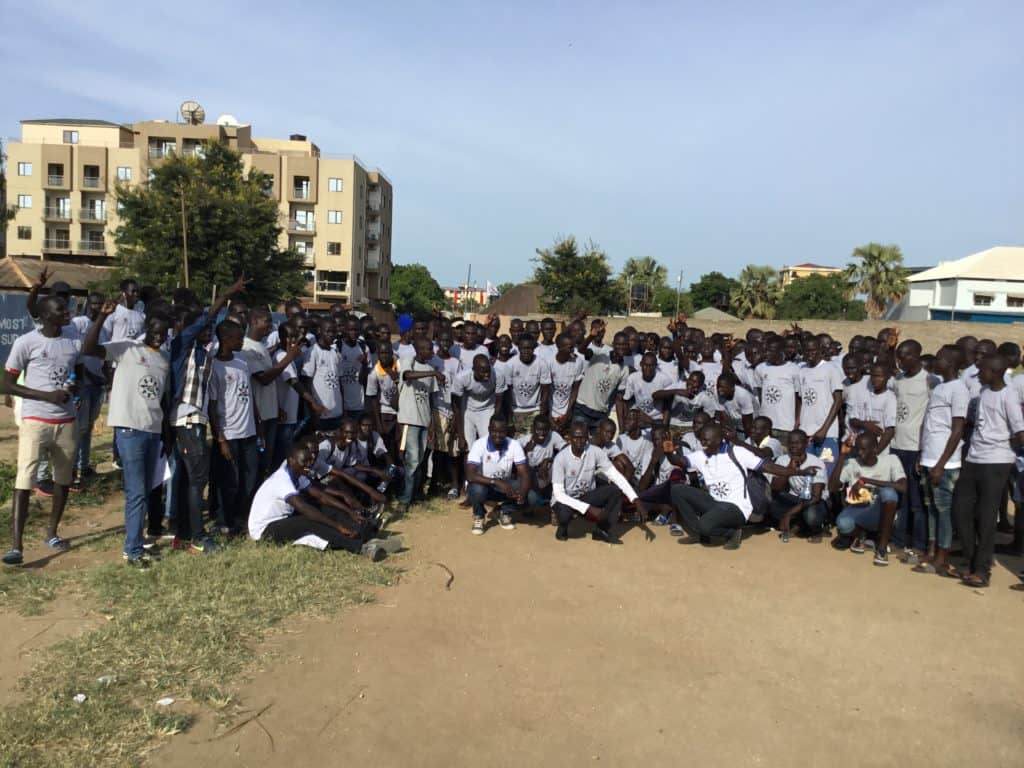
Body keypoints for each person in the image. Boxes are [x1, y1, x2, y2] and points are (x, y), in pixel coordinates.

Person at [83, 300, 170, 568]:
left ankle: (137, 539)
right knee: (136, 491)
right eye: (154, 329)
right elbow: (89, 349)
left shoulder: (163, 360)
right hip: (130, 430)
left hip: (152, 431)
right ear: (146, 327)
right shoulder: (128, 348)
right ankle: (132, 550)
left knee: (144, 489)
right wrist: (101, 319)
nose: (159, 334)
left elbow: (161, 400)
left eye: (163, 331)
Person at [1, 296, 81, 565]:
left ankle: (52, 533)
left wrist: (74, 386)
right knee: (25, 480)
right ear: (46, 316)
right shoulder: (26, 342)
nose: (67, 312)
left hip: (67, 422)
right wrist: (46, 397)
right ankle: (17, 546)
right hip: (36, 421)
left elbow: (76, 368)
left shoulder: (72, 338)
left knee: (63, 480)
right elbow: (7, 384)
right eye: (60, 310)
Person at [668, 423, 812, 550]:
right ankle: (699, 533)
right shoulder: (702, 455)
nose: (702, 442)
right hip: (714, 503)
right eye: (701, 439)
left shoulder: (737, 452)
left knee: (705, 525)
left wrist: (798, 471)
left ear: (718, 440)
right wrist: (669, 452)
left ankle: (732, 533)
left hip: (736, 508)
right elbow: (679, 461)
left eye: (706, 440)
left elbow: (769, 467)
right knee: (677, 490)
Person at [248, 441, 397, 560]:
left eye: (309, 460)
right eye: (304, 461)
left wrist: (350, 512)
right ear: (291, 460)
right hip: (264, 531)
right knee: (310, 520)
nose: (308, 465)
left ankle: (365, 532)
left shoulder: (298, 474)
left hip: (284, 520)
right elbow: (306, 510)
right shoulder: (281, 480)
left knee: (326, 509)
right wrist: (338, 526)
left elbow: (321, 496)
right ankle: (361, 547)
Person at [950, 354, 1024, 587]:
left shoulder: (1008, 396)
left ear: (995, 371)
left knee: (986, 516)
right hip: (974, 458)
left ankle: (981, 571)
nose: (978, 374)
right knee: (960, 510)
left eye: (982, 371)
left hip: (997, 461)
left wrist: (1006, 447)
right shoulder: (983, 393)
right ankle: (974, 559)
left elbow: (1020, 431)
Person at [915, 346, 968, 575]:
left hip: (943, 463)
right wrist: (922, 455)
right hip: (930, 457)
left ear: (950, 363)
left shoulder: (959, 390)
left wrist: (940, 464)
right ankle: (932, 548)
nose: (935, 361)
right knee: (931, 508)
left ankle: (943, 557)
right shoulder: (940, 387)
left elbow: (957, 430)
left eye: (939, 358)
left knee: (943, 509)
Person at [208, 320, 261, 535]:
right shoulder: (215, 366)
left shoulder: (241, 361)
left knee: (250, 479)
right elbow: (212, 406)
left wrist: (258, 421)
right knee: (229, 482)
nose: (242, 341)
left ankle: (241, 517)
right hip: (229, 434)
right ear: (227, 339)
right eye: (239, 338)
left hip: (249, 431)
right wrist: (220, 439)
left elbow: (249, 393)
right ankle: (224, 521)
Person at [550, 421, 638, 543]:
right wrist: (589, 508)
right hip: (565, 499)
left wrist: (635, 498)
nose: (579, 441)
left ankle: (602, 531)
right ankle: (563, 527)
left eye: (583, 438)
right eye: (576, 437)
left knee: (615, 490)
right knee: (564, 514)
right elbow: (559, 495)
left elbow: (616, 475)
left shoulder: (596, 451)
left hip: (585, 496)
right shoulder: (561, 458)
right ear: (570, 438)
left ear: (588, 437)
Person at [240, 308, 301, 477]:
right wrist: (289, 357)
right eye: (266, 320)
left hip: (271, 415)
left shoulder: (262, 347)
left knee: (266, 464)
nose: (270, 325)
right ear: (253, 322)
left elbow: (270, 384)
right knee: (257, 466)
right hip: (259, 419)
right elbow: (263, 379)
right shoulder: (246, 347)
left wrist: (276, 407)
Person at [830, 434, 906, 566]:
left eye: (864, 449)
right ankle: (864, 536)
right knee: (843, 524)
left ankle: (882, 549)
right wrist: (842, 456)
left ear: (875, 449)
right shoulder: (852, 464)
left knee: (888, 492)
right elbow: (832, 487)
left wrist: (865, 481)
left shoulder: (890, 460)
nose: (860, 453)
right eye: (858, 449)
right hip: (860, 509)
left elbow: (903, 487)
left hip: (883, 512)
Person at [891, 339, 936, 557]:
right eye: (898, 356)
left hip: (915, 448)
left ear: (917, 355)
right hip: (896, 446)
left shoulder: (929, 381)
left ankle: (919, 544)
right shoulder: (898, 379)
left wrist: (922, 450)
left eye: (904, 356)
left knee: (917, 502)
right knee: (900, 497)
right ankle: (899, 540)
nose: (900, 360)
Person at [396, 338, 444, 511]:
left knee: (420, 460)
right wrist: (432, 374)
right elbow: (407, 375)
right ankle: (405, 498)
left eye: (431, 348)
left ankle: (414, 493)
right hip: (409, 419)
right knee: (413, 459)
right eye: (428, 348)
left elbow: (431, 399)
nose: (431, 351)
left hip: (424, 421)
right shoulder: (410, 361)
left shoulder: (431, 369)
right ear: (419, 349)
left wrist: (431, 423)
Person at [465, 415, 531, 534]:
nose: (498, 435)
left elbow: (524, 474)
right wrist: (496, 482)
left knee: (531, 496)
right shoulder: (479, 444)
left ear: (507, 431)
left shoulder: (514, 445)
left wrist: (522, 494)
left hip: (506, 486)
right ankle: (479, 516)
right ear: (489, 429)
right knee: (476, 489)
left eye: (502, 432)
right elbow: (470, 475)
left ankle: (504, 512)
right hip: (485, 485)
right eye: (494, 431)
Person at [69, 292, 108, 488]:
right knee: (80, 428)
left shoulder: (104, 328)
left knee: (89, 428)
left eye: (101, 304)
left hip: (97, 383)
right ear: (88, 305)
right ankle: (72, 470)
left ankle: (84, 466)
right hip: (82, 384)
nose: (98, 307)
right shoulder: (78, 323)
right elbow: (80, 354)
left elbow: (105, 356)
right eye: (94, 304)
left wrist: (106, 377)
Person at [767, 430, 829, 542]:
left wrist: (789, 513)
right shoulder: (782, 460)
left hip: (815, 501)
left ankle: (817, 529)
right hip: (796, 498)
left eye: (798, 443)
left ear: (806, 444)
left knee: (811, 515)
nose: (793, 446)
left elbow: (816, 497)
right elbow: (775, 487)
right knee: (772, 504)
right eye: (791, 442)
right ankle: (799, 525)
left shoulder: (816, 462)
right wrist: (790, 468)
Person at [798, 338, 843, 474]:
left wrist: (824, 429)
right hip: (806, 434)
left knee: (825, 474)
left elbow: (838, 400)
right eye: (807, 351)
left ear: (820, 351)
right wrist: (798, 424)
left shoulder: (831, 369)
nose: (810, 353)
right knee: (807, 475)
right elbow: (801, 400)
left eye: (813, 350)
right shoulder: (802, 370)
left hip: (827, 434)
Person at [572, 332, 630, 431]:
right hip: (582, 408)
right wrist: (591, 336)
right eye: (618, 344)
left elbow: (619, 399)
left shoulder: (624, 369)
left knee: (597, 445)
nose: (621, 347)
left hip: (600, 414)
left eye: (624, 344)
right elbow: (581, 350)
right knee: (579, 441)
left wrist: (621, 427)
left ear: (628, 346)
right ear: (613, 344)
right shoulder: (600, 355)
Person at [452, 354, 507, 451]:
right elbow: (456, 407)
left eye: (488, 371)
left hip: (487, 409)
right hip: (467, 411)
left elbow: (499, 401)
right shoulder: (461, 378)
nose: (486, 375)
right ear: (474, 369)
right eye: (482, 372)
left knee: (488, 446)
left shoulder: (498, 375)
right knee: (467, 448)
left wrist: (493, 422)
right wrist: (461, 435)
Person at [302, 318, 344, 431]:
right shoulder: (312, 352)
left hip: (337, 411)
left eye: (334, 332)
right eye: (328, 331)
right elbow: (307, 382)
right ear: (320, 331)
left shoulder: (335, 353)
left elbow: (339, 382)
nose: (331, 334)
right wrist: (313, 409)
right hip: (321, 413)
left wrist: (342, 407)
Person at [506, 334, 552, 436]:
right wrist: (510, 419)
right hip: (515, 410)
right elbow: (507, 393)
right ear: (518, 348)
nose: (526, 351)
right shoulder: (510, 364)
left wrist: (542, 414)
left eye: (529, 348)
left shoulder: (542, 364)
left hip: (534, 410)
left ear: (534, 348)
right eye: (523, 348)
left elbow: (545, 391)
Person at [518, 414, 565, 510]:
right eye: (538, 430)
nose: (542, 433)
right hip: (531, 478)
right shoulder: (524, 441)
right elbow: (510, 457)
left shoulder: (553, 436)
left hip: (546, 474)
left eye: (545, 430)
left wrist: (548, 460)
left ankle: (555, 503)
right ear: (532, 429)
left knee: (558, 465)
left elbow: (567, 450)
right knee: (532, 498)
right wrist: (524, 451)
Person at [756, 340, 802, 438]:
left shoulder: (794, 369)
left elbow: (798, 398)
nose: (767, 353)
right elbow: (760, 395)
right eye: (766, 350)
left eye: (771, 351)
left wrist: (797, 420)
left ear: (781, 351)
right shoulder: (760, 368)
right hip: (766, 426)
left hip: (786, 426)